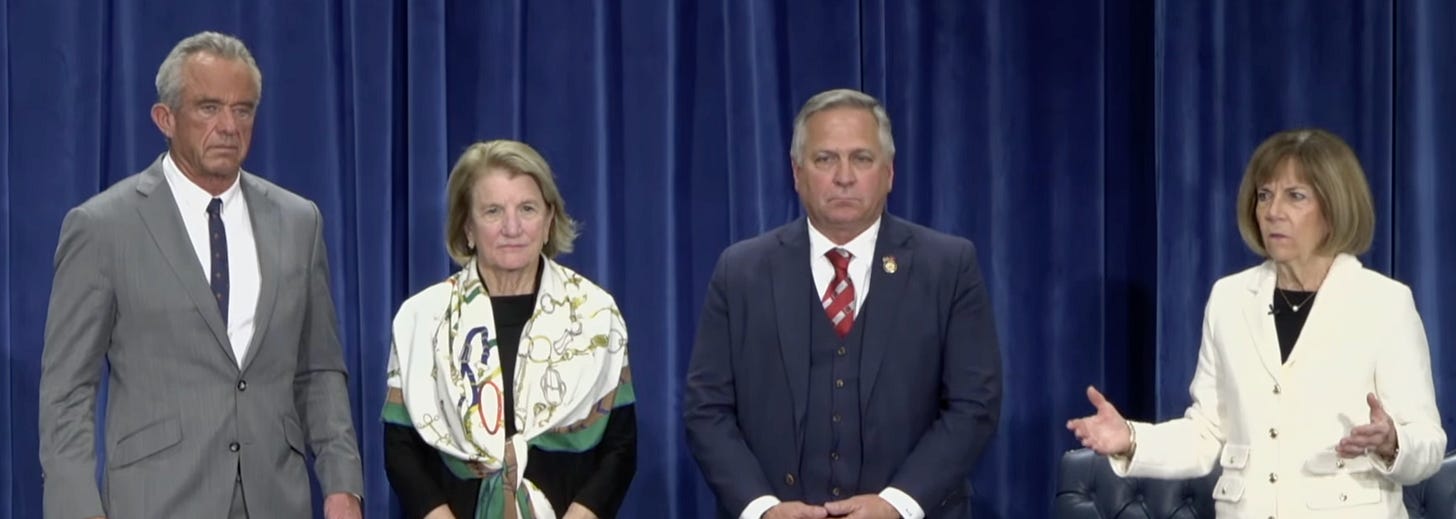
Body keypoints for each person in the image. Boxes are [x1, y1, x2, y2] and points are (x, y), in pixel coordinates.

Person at [37, 31, 364, 519]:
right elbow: (67, 393)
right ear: (165, 119)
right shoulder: (103, 227)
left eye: (243, 110)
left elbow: (318, 370)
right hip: (156, 501)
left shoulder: (299, 222)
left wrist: (342, 486)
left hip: (276, 498)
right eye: (209, 108)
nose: (229, 126)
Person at [1067, 128, 1446, 517]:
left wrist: (1391, 442)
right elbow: (1207, 432)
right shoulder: (1229, 300)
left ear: (1334, 209)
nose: (1272, 211)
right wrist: (1130, 438)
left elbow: (1429, 444)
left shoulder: (1383, 303)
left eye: (1295, 196)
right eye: (1264, 195)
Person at [684, 88, 1002, 519]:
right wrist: (763, 509)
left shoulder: (948, 266)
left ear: (889, 173)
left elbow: (973, 405)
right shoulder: (740, 272)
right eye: (825, 159)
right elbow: (707, 410)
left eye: (862, 159)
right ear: (797, 173)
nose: (844, 176)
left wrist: (897, 504)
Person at [383, 140, 636, 519]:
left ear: (549, 220)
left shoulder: (597, 313)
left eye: (527, 209)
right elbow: (400, 447)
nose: (512, 227)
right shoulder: (422, 318)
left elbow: (620, 445)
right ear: (467, 226)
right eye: (493, 211)